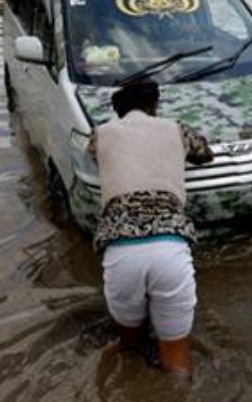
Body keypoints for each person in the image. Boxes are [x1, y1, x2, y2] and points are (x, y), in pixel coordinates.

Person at [87, 79, 214, 374]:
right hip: (170, 246)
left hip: (120, 250)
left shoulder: (100, 134)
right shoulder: (176, 128)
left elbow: (97, 157)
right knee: (177, 361)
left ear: (119, 111)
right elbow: (206, 154)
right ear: (154, 104)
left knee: (128, 345)